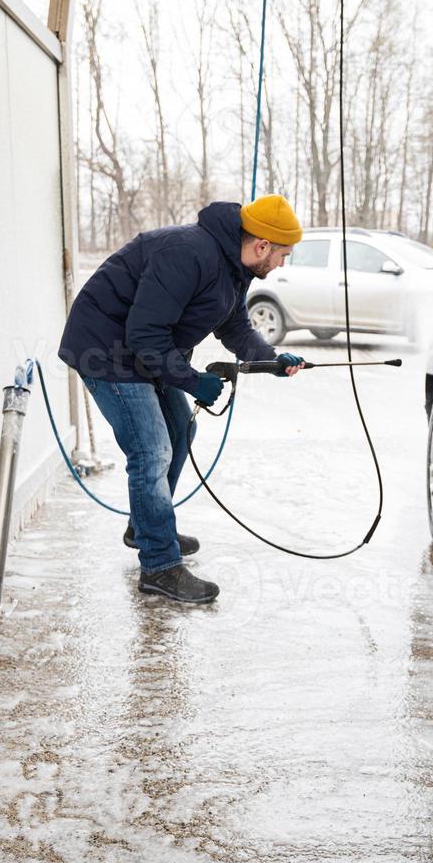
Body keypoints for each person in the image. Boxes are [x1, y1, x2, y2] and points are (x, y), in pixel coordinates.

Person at [58, 195, 306, 603]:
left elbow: (235, 326)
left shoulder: (232, 268)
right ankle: (159, 565)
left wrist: (272, 359)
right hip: (106, 350)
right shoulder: (188, 253)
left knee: (179, 429)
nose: (282, 264)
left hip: (146, 354)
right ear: (261, 246)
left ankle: (145, 527)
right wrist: (192, 381)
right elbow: (144, 334)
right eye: (283, 255)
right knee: (152, 449)